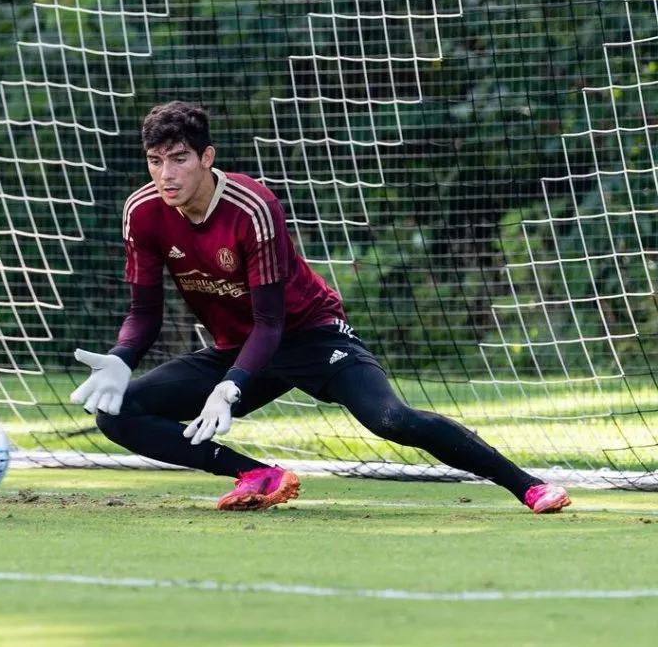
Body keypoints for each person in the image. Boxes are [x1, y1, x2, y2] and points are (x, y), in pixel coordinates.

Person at [69, 100, 571, 513]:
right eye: (155, 161)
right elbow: (145, 312)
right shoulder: (143, 211)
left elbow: (271, 321)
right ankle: (257, 475)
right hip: (239, 348)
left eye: (179, 158)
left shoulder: (253, 207)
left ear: (206, 157)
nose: (166, 174)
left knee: (391, 420)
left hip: (309, 333)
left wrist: (230, 386)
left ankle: (527, 485)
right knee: (116, 412)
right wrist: (122, 358)